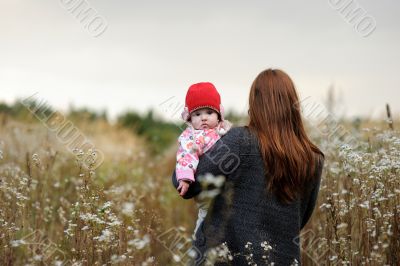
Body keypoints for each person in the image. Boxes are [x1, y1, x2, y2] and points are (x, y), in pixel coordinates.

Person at [172, 69, 324, 265]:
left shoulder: (239, 141)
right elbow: (300, 219)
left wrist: (189, 152)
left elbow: (187, 187)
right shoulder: (314, 158)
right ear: (294, 105)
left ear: (255, 104)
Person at [175, 82, 232, 238]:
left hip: (226, 189)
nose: (204, 118)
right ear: (189, 118)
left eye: (209, 112)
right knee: (205, 221)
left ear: (219, 114)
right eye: (197, 114)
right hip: (206, 189)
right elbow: (187, 156)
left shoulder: (224, 130)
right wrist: (185, 178)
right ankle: (200, 246)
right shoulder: (191, 137)